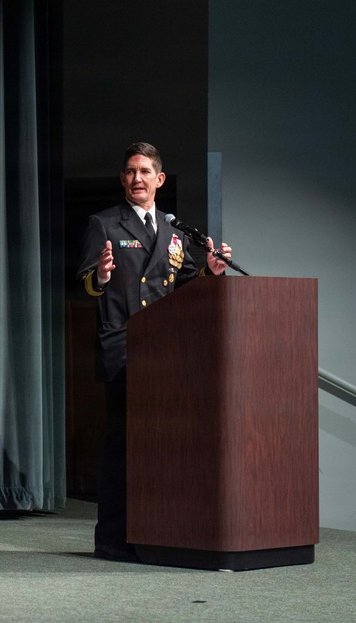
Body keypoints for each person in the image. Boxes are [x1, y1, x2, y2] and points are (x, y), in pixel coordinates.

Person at [77, 142, 233, 562]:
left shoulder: (174, 232)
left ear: (159, 179)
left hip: (164, 357)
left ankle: (155, 531)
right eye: (130, 172)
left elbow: (182, 286)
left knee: (161, 447)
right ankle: (111, 540)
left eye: (145, 171)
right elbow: (87, 283)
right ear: (122, 179)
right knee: (122, 447)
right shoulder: (105, 224)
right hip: (124, 349)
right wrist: (102, 274)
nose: (137, 179)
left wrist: (208, 272)